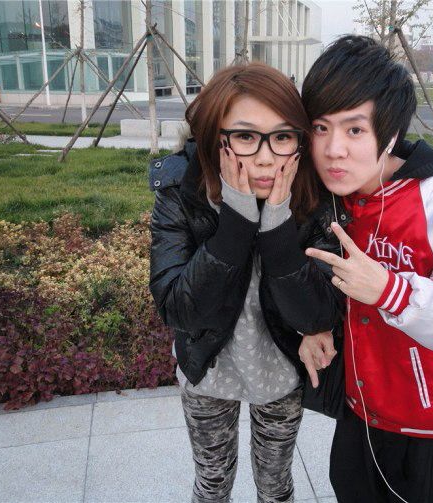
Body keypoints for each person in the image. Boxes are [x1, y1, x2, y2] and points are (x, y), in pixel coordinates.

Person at [298, 35, 433, 502]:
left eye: (355, 130)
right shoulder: (334, 197)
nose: (333, 149)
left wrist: (392, 291)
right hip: (359, 413)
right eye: (320, 128)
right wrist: (314, 326)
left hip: (430, 430)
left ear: (389, 133)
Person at [148, 63, 343, 503]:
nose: (266, 157)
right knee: (212, 484)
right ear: (213, 136)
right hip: (208, 367)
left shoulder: (315, 196)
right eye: (245, 136)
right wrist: (236, 221)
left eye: (282, 136)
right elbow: (179, 308)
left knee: (275, 486)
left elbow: (319, 313)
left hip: (280, 369)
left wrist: (277, 224)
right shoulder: (181, 191)